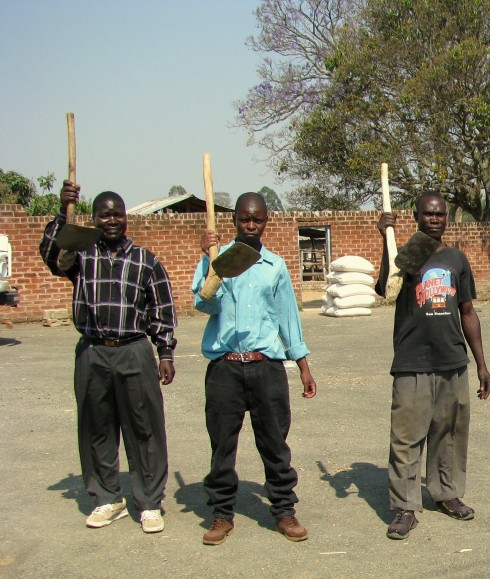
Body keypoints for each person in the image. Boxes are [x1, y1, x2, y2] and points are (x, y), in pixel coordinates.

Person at [39, 182, 177, 534]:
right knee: (96, 428)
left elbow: (161, 309)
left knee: (145, 428)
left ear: (126, 217)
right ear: (95, 218)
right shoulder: (81, 256)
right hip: (93, 351)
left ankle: (148, 502)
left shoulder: (145, 260)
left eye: (117, 214)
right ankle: (107, 498)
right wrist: (62, 209)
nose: (111, 220)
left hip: (134, 350)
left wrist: (165, 352)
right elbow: (51, 254)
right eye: (104, 215)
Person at [192, 192, 316, 545]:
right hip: (225, 367)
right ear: (234, 220)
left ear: (266, 222)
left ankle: (283, 511)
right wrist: (210, 263)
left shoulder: (273, 267)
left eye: (257, 219)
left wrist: (303, 366)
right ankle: (220, 514)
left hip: (266, 368)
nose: (250, 225)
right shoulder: (217, 260)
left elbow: (288, 319)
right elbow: (203, 306)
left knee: (275, 443)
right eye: (244, 219)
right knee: (221, 446)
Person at [375, 191, 490, 541]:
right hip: (412, 361)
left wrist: (481, 364)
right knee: (407, 437)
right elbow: (386, 289)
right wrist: (386, 241)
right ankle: (405, 508)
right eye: (428, 214)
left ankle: (446, 493)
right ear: (416, 216)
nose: (435, 219)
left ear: (447, 218)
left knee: (451, 433)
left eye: (440, 214)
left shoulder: (457, 259)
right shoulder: (406, 255)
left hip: (452, 360)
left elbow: (468, 312)